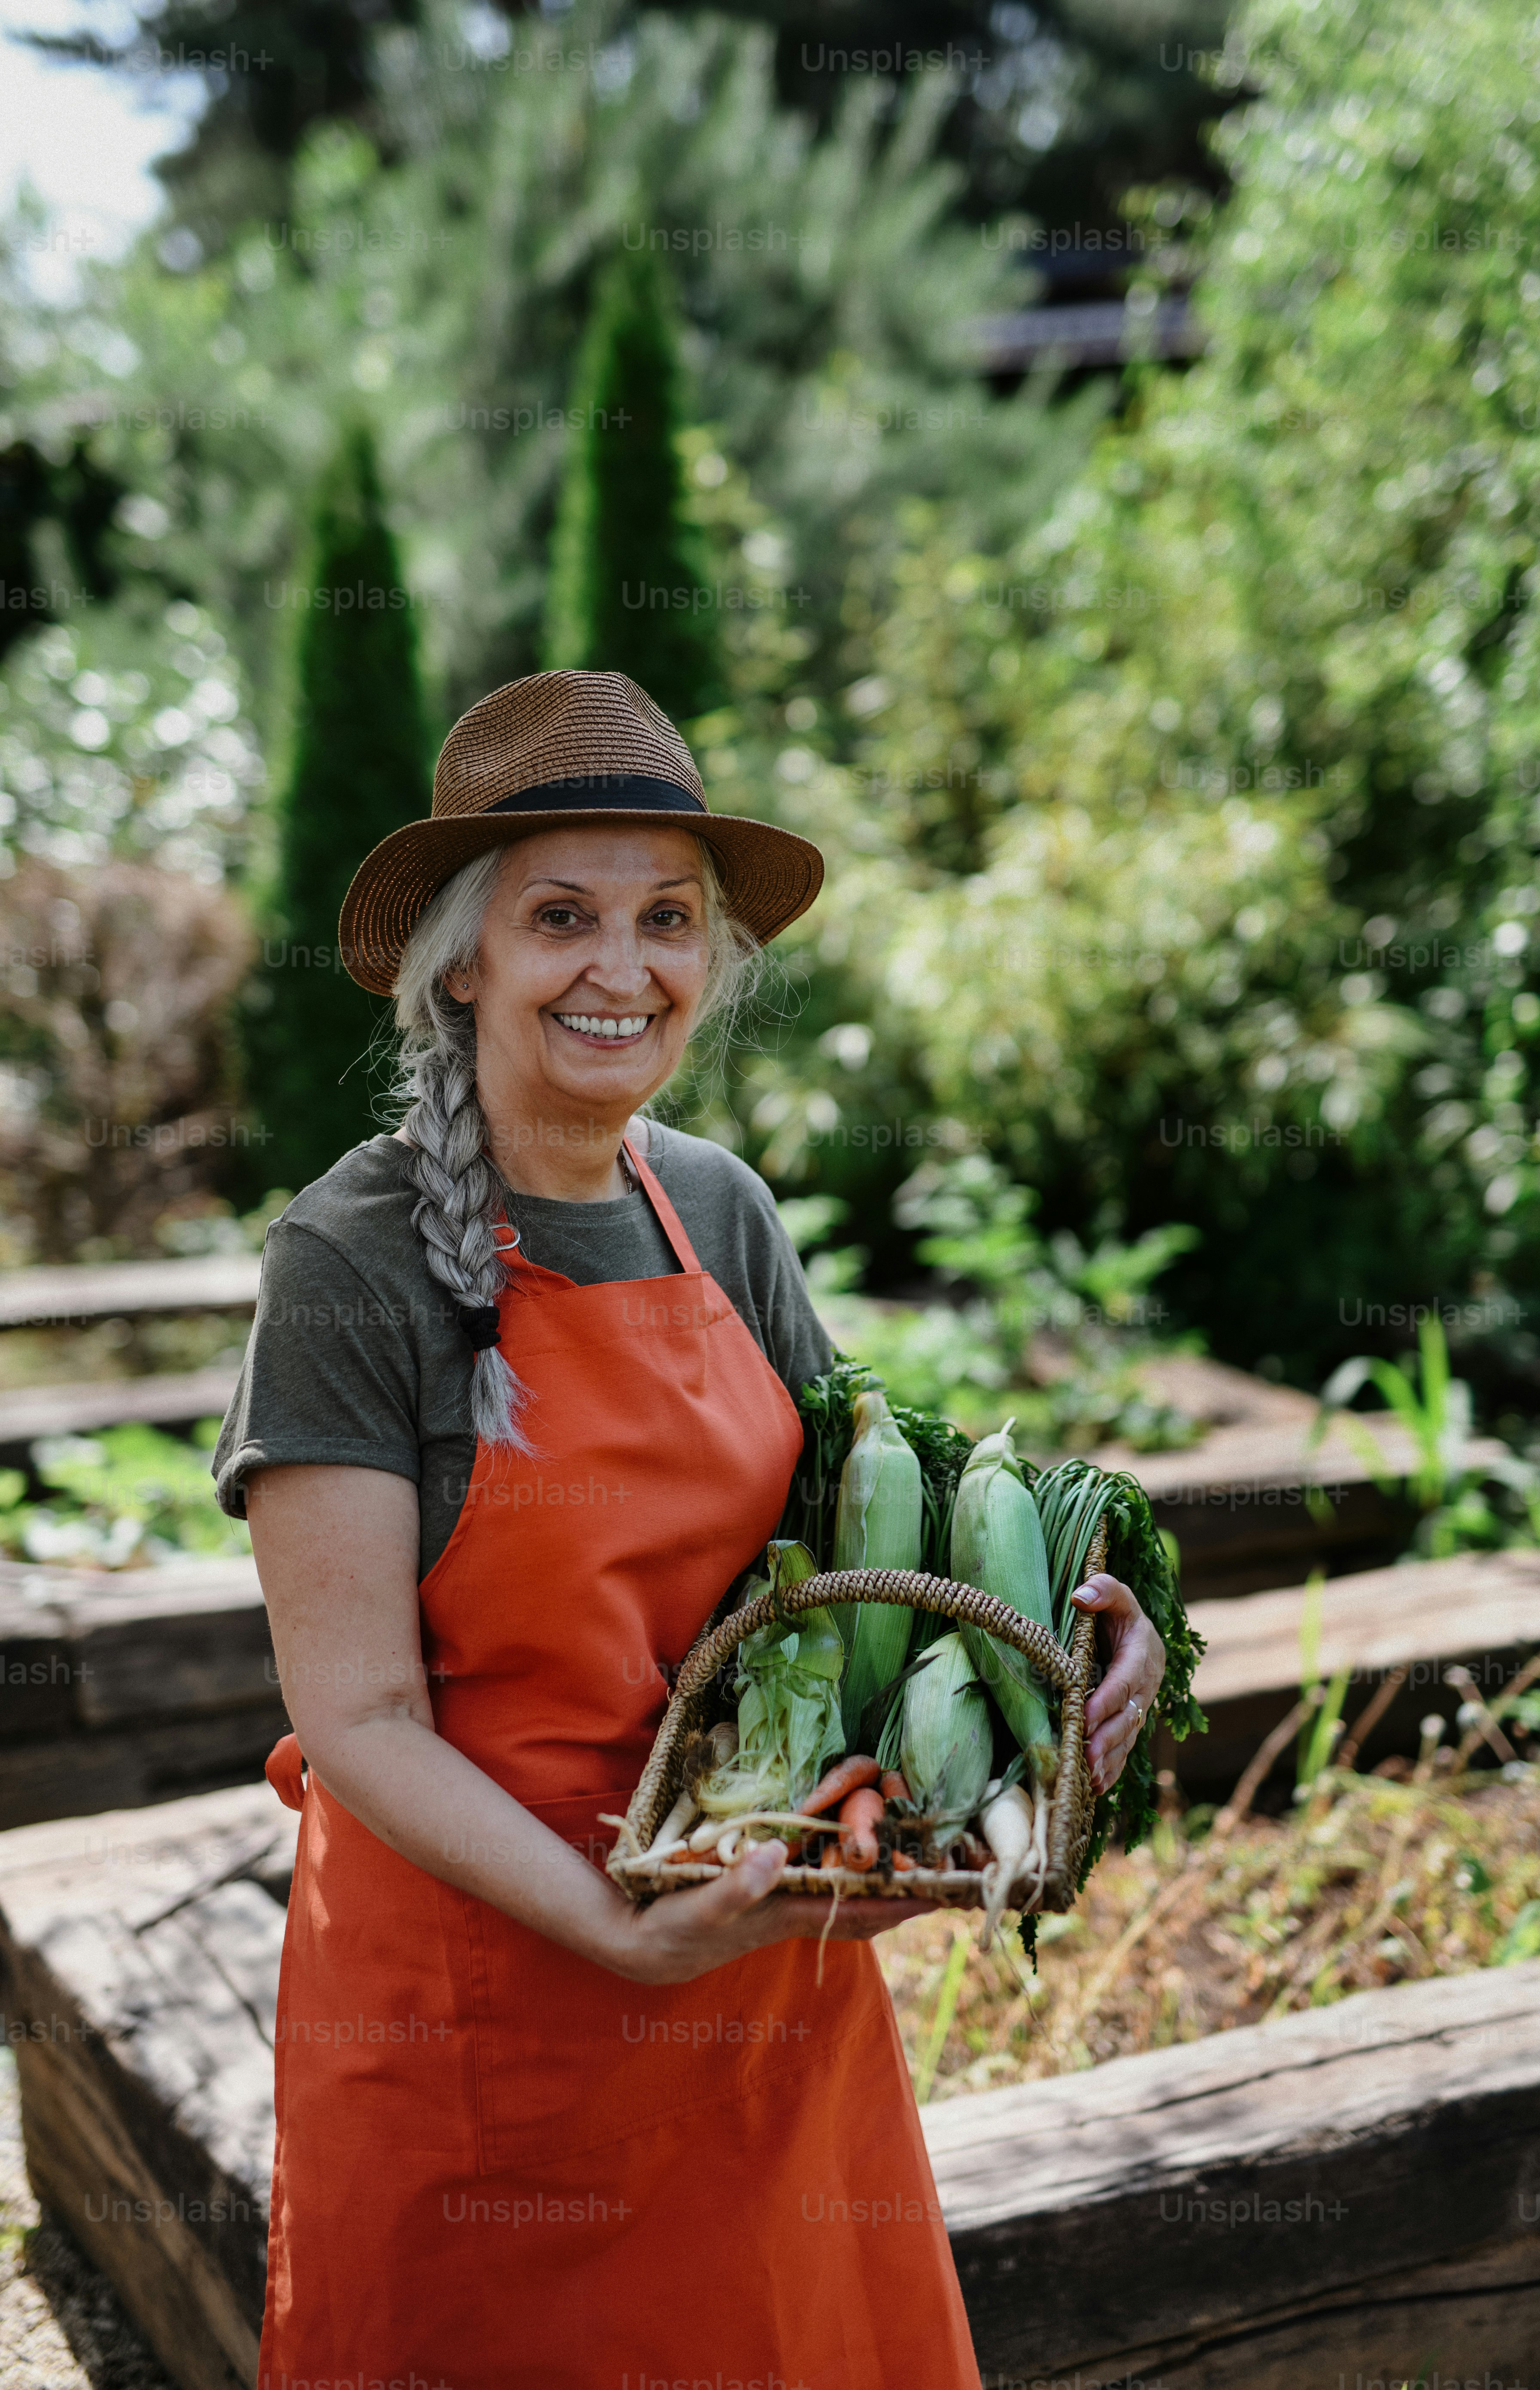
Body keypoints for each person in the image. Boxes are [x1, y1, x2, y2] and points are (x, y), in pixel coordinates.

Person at [215, 668, 1166, 2388]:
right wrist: (610, 1925)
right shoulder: (347, 1263)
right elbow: (355, 1718)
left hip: (750, 1944)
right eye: (559, 915)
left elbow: (852, 1559)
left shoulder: (711, 1204)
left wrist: (1073, 1640)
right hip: (485, 1995)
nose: (622, 966)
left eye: (666, 917)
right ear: (462, 962)